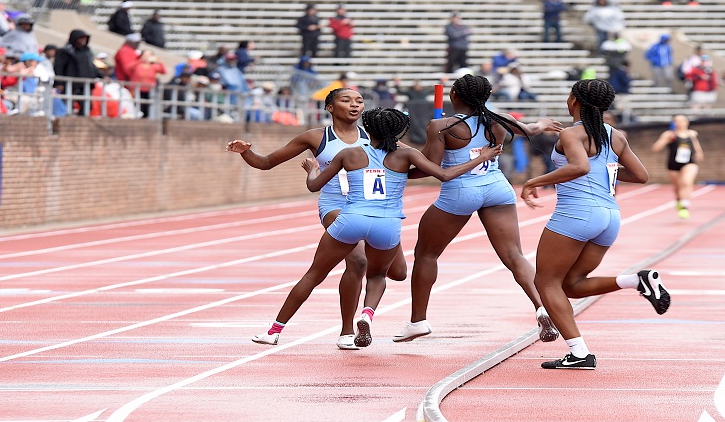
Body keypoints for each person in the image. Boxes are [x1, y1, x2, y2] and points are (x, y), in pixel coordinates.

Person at [248, 105, 501, 348]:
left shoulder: (350, 153)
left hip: (350, 219)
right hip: (387, 226)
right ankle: (367, 315)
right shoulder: (407, 154)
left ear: (368, 130)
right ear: (399, 131)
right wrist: (484, 156)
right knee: (378, 275)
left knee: (313, 275)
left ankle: (274, 331)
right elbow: (444, 174)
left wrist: (312, 170)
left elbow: (314, 186)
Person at [228, 89, 412, 349]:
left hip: (374, 209)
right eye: (346, 100)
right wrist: (246, 152)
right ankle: (347, 331)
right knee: (358, 261)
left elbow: (416, 160)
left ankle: (357, 320)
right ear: (329, 107)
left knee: (399, 272)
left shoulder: (376, 136)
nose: (354, 105)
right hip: (337, 206)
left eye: (359, 101)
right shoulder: (316, 137)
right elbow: (268, 162)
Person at [393, 74, 563, 343]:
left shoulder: (440, 125)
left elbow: (432, 168)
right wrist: (542, 123)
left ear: (454, 96)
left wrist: (397, 170)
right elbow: (530, 130)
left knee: (426, 253)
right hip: (497, 187)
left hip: (460, 191)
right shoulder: (497, 119)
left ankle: (418, 321)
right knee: (515, 255)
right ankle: (543, 307)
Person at [520, 79, 671, 370]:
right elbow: (640, 175)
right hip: (609, 217)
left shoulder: (572, 136)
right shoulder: (616, 135)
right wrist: (604, 171)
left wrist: (533, 181)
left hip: (576, 214)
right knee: (572, 286)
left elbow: (580, 167)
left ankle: (579, 353)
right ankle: (635, 281)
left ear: (574, 100)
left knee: (545, 282)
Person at [652, 114, 704, 219]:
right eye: (677, 121)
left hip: (689, 162)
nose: (680, 123)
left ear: (687, 122)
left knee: (686, 182)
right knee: (677, 188)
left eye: (682, 120)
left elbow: (696, 147)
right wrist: (666, 139)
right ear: (673, 123)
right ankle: (680, 201)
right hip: (673, 164)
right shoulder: (669, 134)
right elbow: (656, 148)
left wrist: (699, 153)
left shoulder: (691, 134)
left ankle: (685, 206)